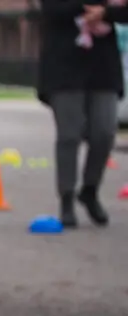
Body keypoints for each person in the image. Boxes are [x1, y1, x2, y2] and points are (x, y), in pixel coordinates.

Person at [38, 0, 128, 228]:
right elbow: (52, 9)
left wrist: (105, 12)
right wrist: (88, 9)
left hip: (103, 65)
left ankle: (89, 190)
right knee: (69, 134)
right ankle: (66, 198)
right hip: (64, 64)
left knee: (105, 132)